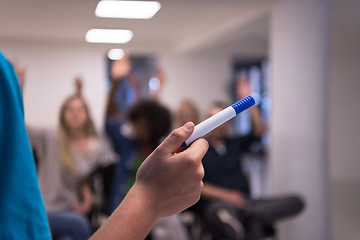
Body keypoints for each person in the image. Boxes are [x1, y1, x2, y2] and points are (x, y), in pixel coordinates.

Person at [0, 51, 209, 240]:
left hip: (78, 209)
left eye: (80, 110)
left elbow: (88, 176)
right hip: (59, 210)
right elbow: (18, 129)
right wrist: (16, 93)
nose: (75, 114)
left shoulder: (98, 146)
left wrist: (87, 194)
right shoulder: (52, 136)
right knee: (80, 226)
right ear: (62, 115)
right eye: (70, 110)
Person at [194, 76, 304, 240]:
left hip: (246, 201)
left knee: (296, 202)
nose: (219, 125)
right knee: (221, 212)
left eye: (223, 120)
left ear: (229, 122)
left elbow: (259, 130)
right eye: (214, 119)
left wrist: (248, 99)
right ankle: (237, 218)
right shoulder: (199, 148)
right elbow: (198, 186)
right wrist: (227, 196)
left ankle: (246, 214)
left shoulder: (234, 143)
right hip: (216, 204)